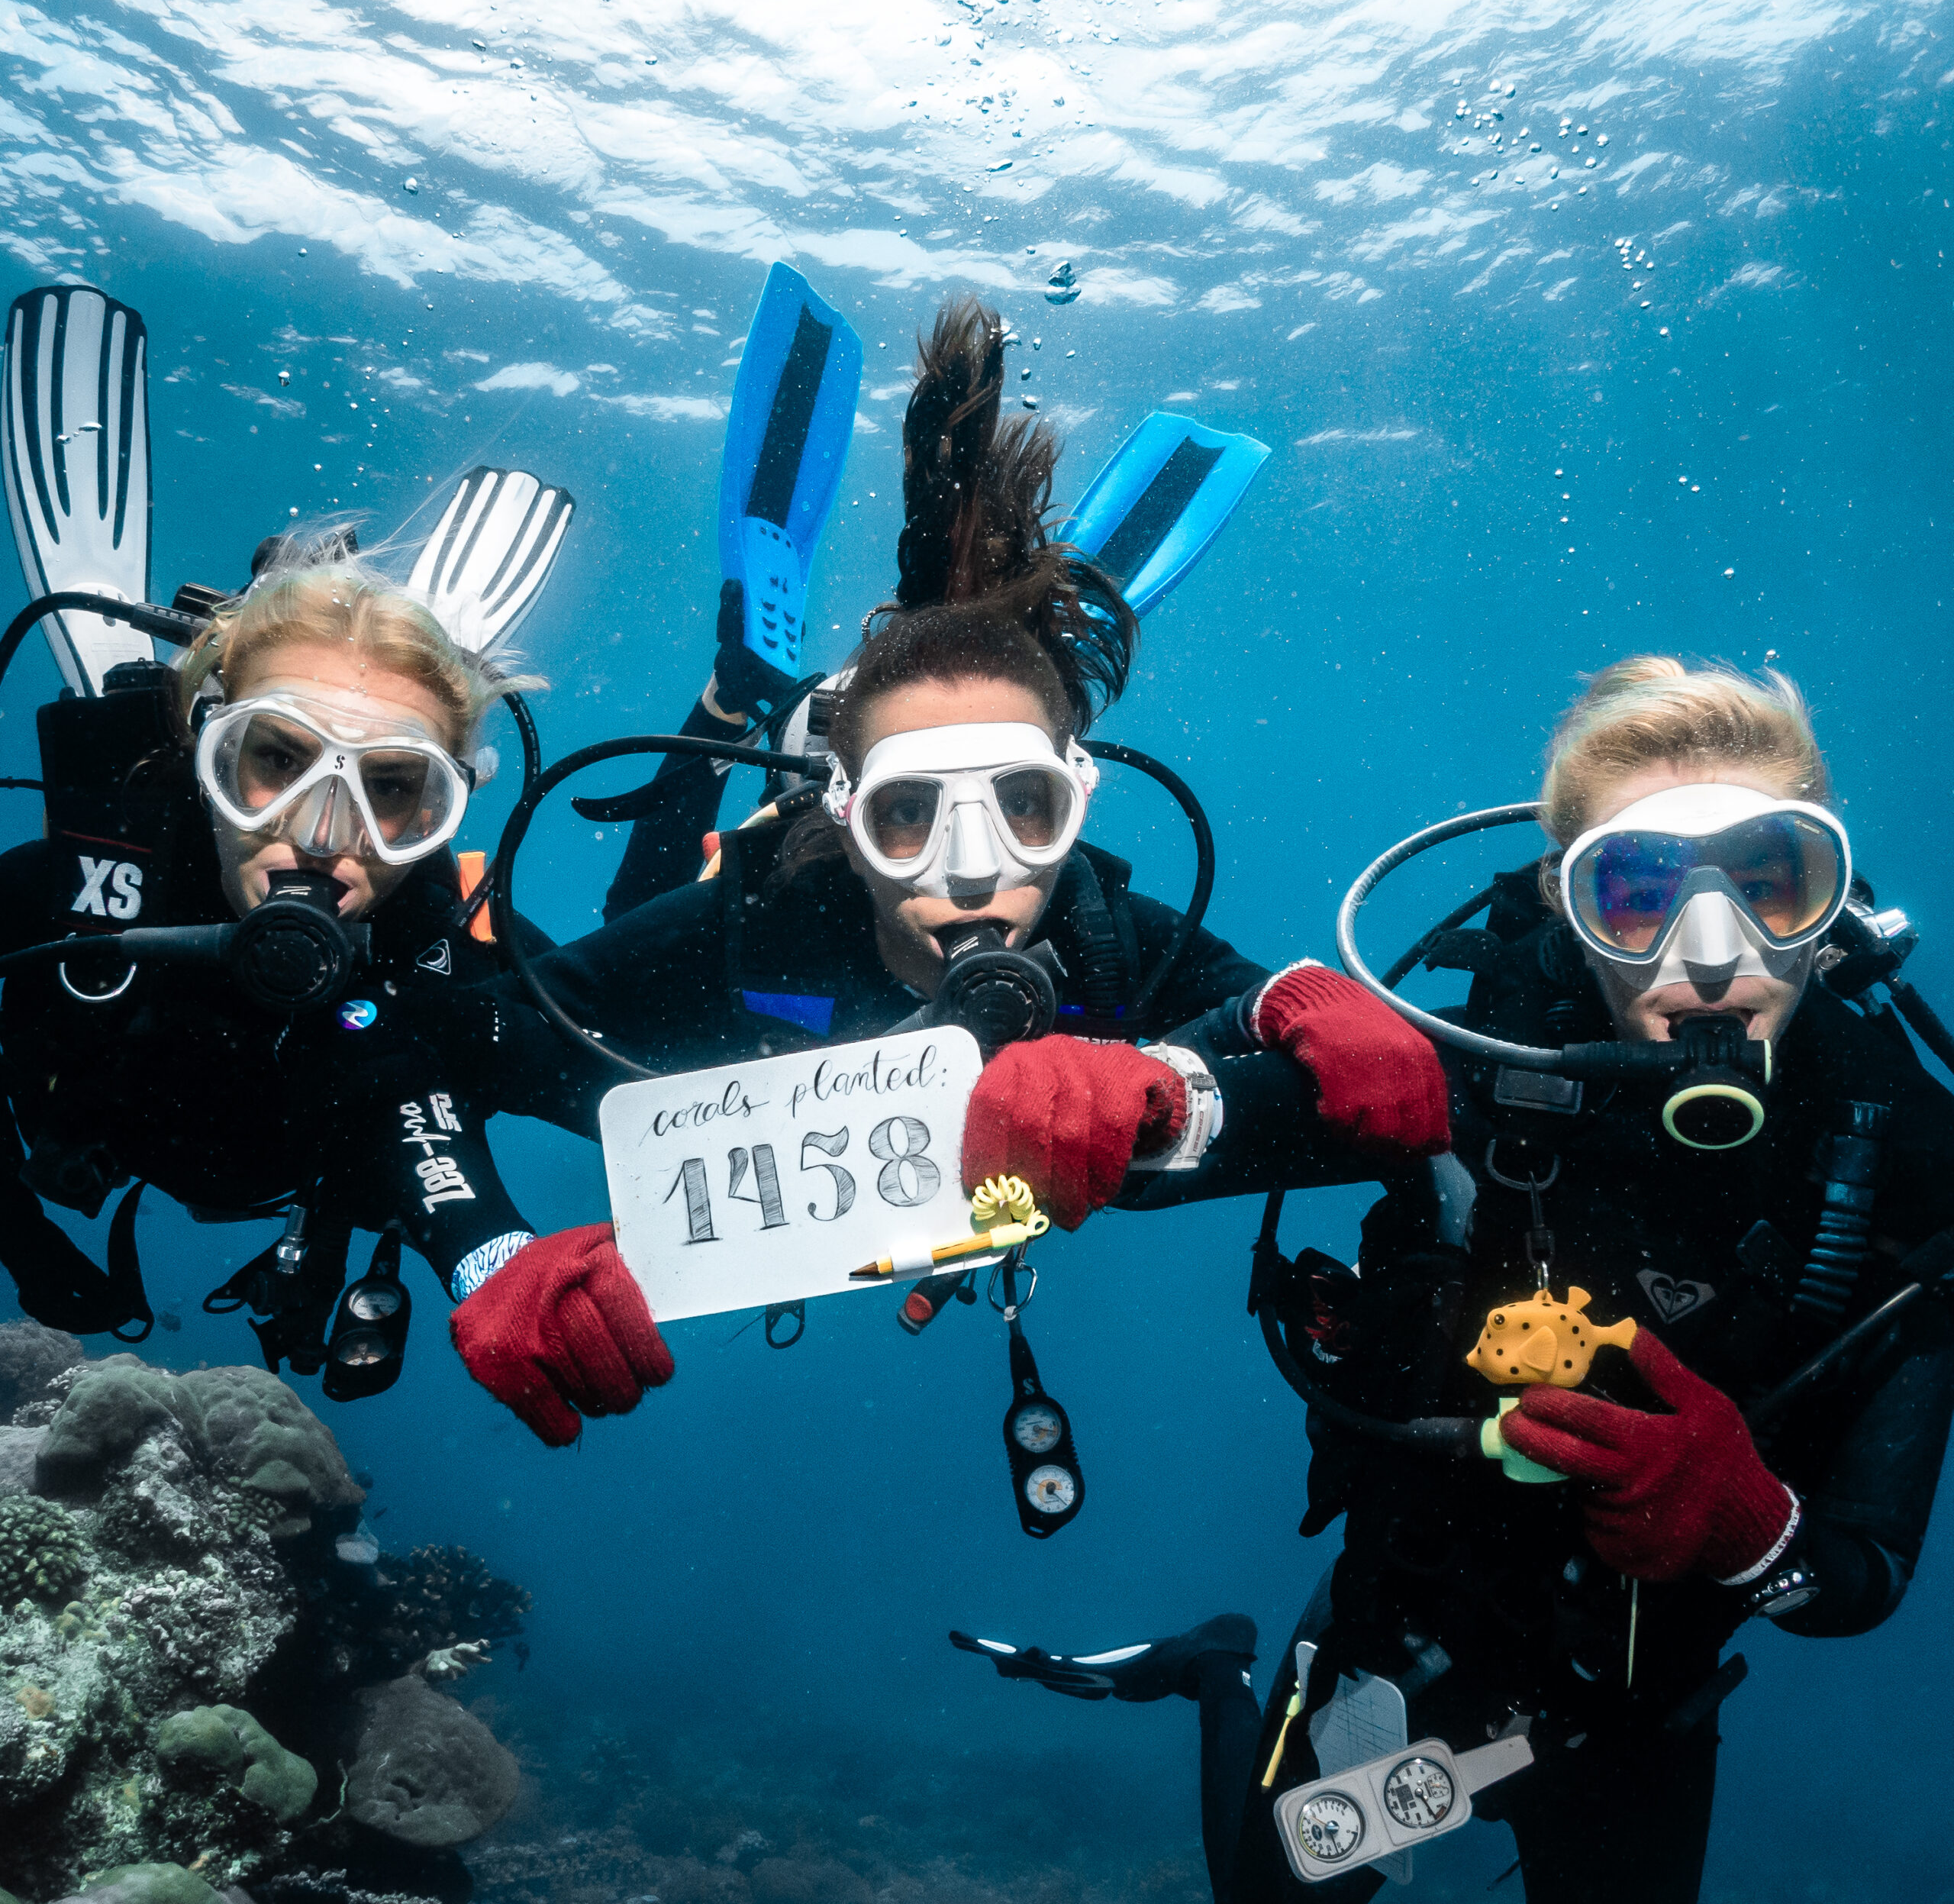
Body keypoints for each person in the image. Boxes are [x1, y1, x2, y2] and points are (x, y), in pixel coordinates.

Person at [954, 657, 1954, 1903]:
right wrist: (1135, 1099)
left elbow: (1860, 1573)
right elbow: (1191, 1138)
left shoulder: (1912, 1163)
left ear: (1833, 902)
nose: (1713, 956)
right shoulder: (1475, 1072)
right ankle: (1223, 1671)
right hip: (1415, 1662)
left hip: (1632, 1715)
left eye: (1770, 884)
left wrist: (1758, 1532)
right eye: (1639, 894)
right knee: (1274, 1891)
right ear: (1567, 906)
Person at [435, 297, 1452, 1451]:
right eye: (911, 816)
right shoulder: (772, 922)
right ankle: (741, 694)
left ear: (1078, 800)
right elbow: (427, 1054)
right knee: (653, 906)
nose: (977, 875)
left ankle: (946, 692)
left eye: (1025, 808)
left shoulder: (1106, 936)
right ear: (853, 814)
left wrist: (1260, 1024)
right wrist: (490, 1250)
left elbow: (1340, 1063)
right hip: (737, 963)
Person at [0, 541, 547, 1390]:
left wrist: (497, 1258)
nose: (324, 835)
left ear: (446, 804)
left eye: (394, 785)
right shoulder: (75, 891)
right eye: (278, 759)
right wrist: (20, 1235)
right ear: (205, 746)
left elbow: (632, 1067)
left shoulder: (454, 951)